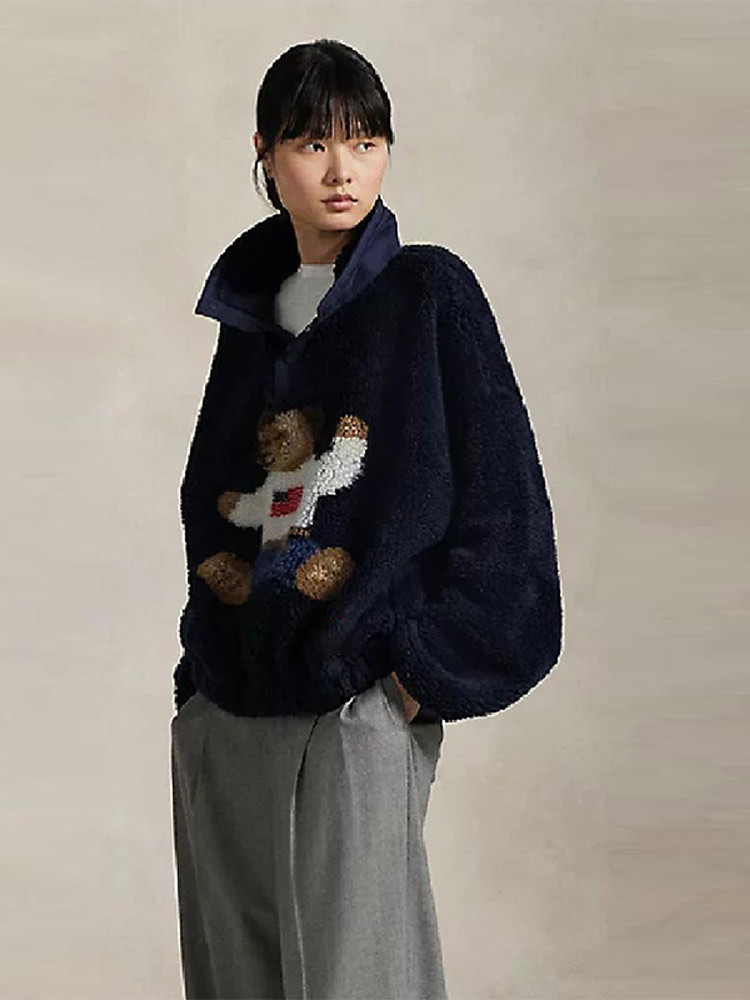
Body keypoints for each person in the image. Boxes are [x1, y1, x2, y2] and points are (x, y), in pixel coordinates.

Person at [170, 38, 563, 1000]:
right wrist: (199, 682)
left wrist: (412, 679)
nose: (343, 169)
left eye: (366, 140)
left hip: (353, 713)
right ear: (266, 154)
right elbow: (214, 499)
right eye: (313, 143)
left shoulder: (427, 294)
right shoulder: (250, 318)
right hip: (228, 718)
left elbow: (505, 505)